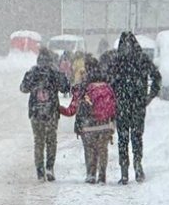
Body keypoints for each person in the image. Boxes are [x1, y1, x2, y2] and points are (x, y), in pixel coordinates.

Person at [111, 31, 162, 184]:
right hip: (138, 105)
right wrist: (149, 96)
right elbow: (156, 77)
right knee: (137, 137)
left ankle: (124, 171)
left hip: (121, 105)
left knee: (123, 138)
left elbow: (109, 82)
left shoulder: (117, 61)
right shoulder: (142, 59)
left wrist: (113, 98)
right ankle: (138, 166)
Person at [59, 54, 117, 184]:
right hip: (105, 124)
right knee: (103, 149)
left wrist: (58, 108)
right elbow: (114, 106)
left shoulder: (81, 88)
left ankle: (91, 174)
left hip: (88, 125)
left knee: (89, 149)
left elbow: (71, 110)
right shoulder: (107, 86)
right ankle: (102, 175)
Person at [20, 47, 71, 181]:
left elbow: (23, 88)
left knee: (38, 141)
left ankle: (40, 171)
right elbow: (65, 87)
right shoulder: (54, 72)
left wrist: (33, 83)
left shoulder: (33, 72)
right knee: (51, 141)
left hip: (36, 112)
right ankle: (49, 167)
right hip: (51, 112)